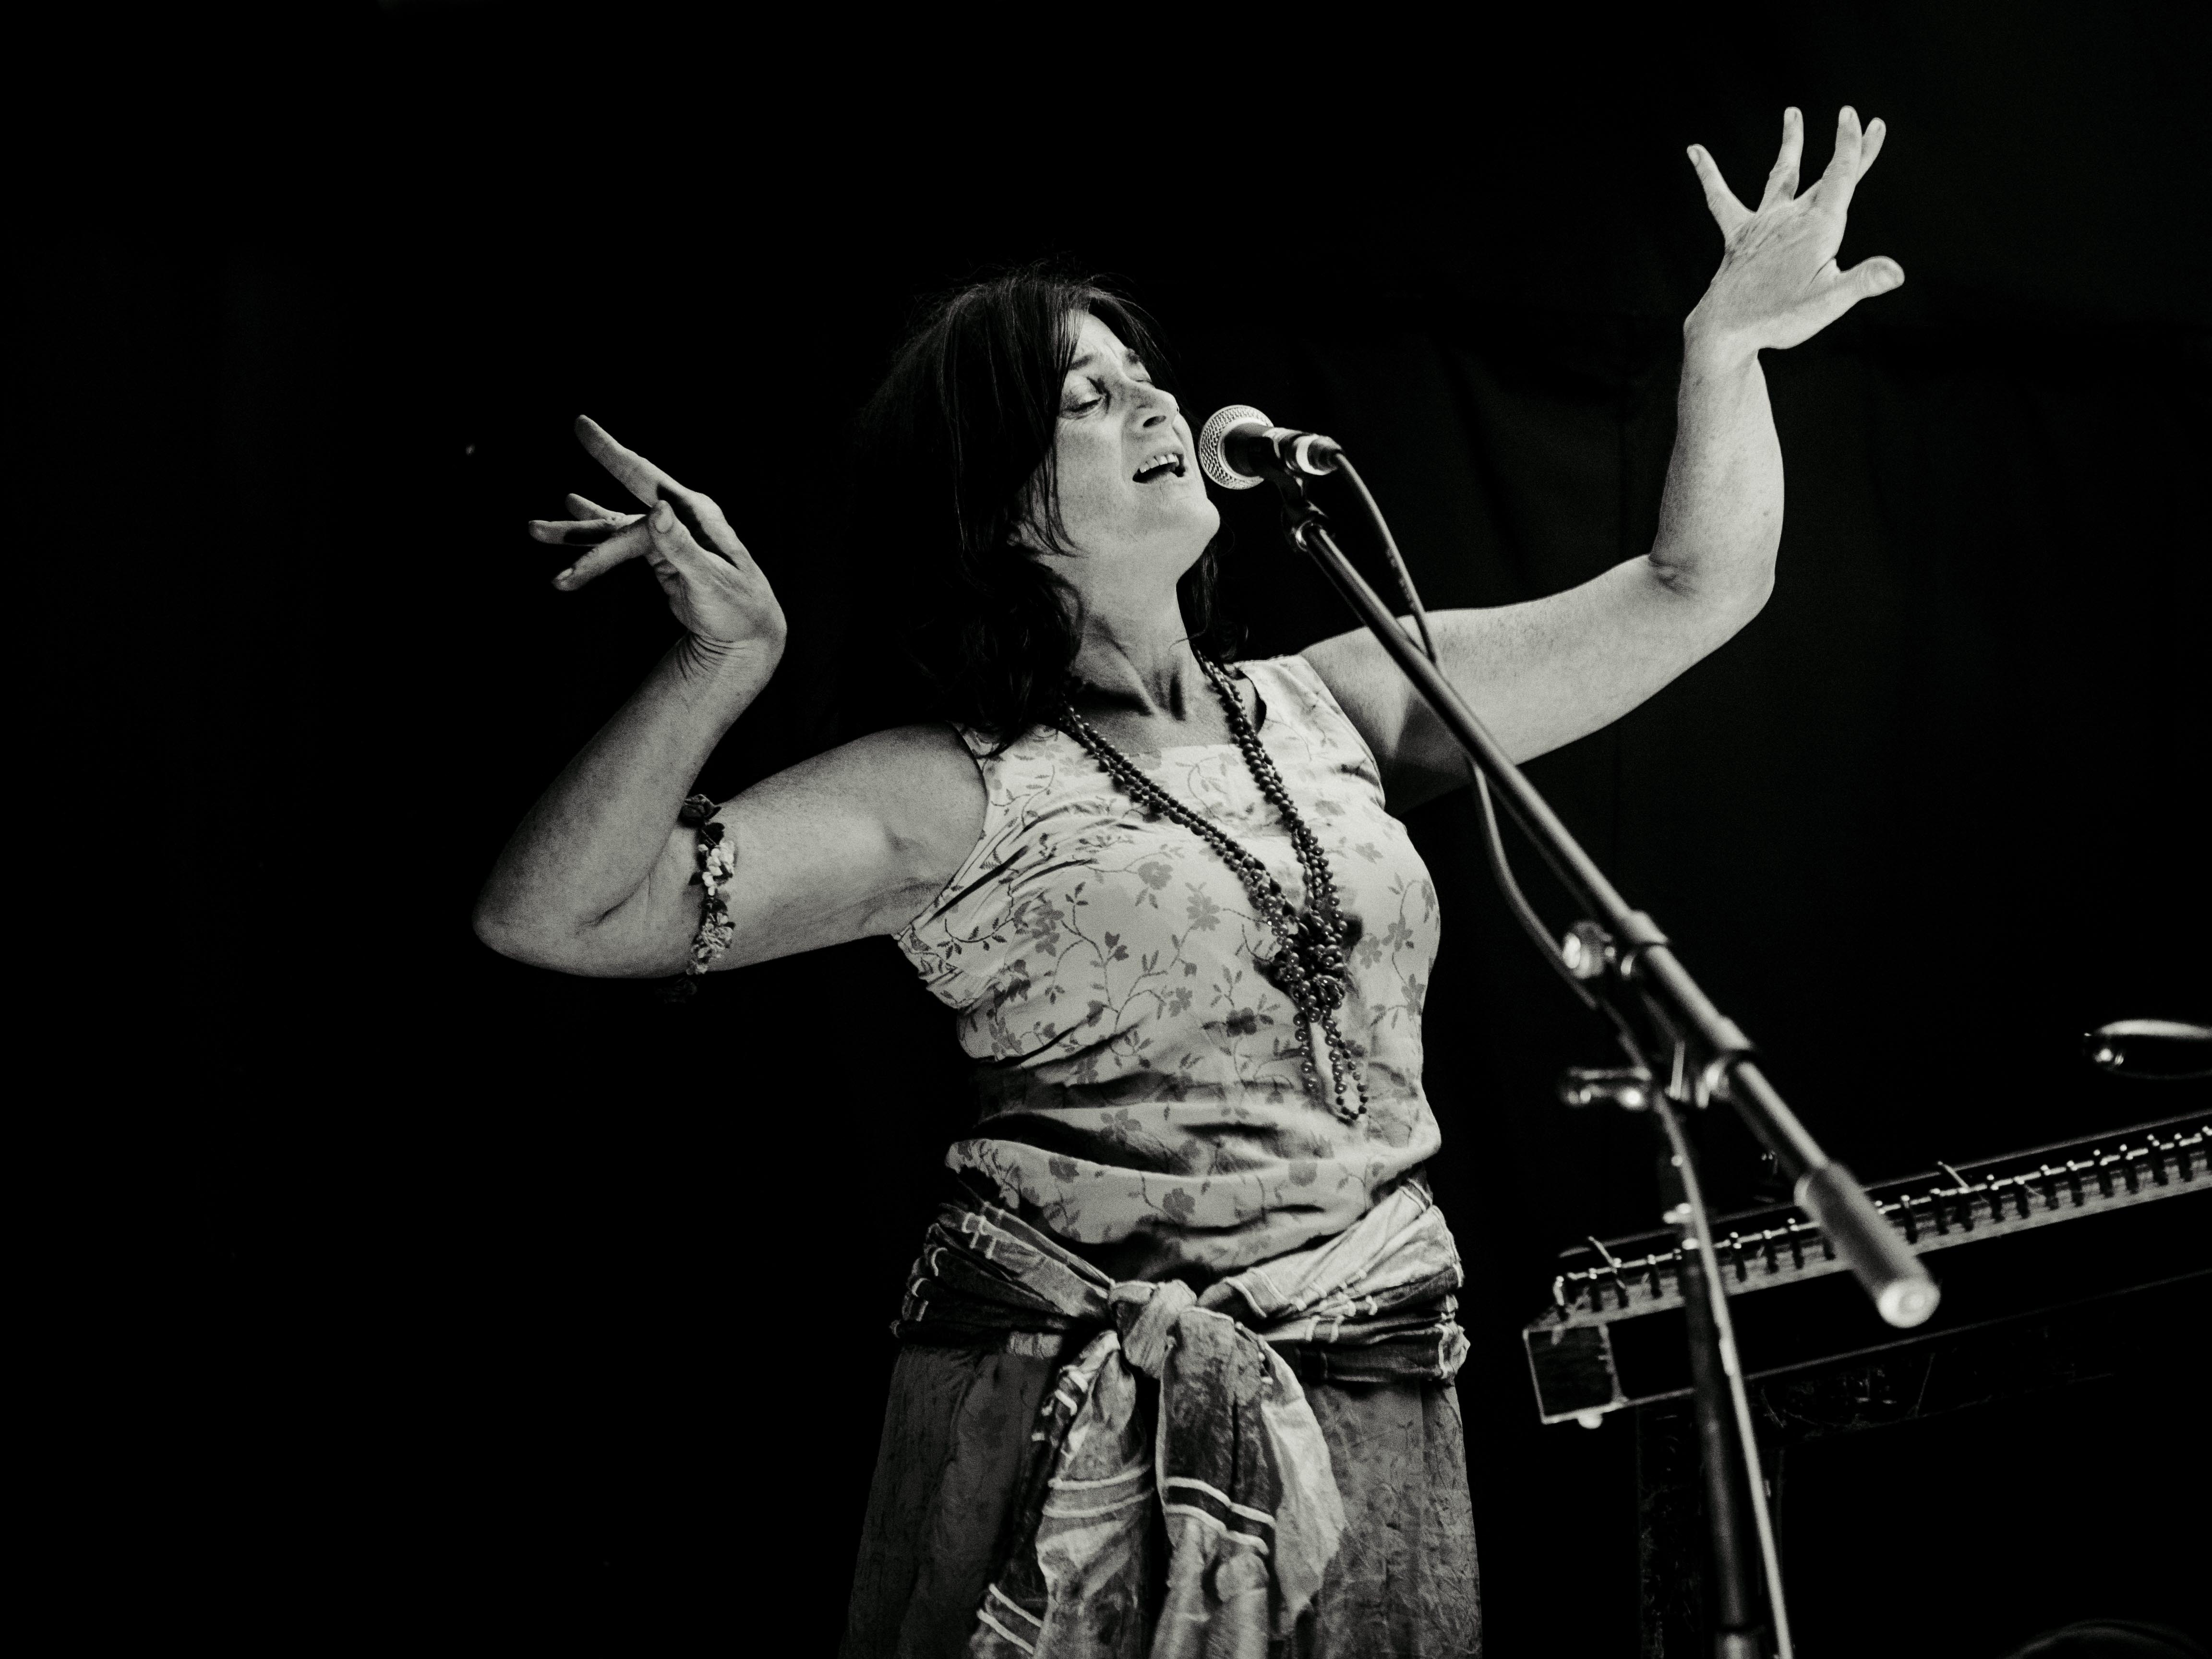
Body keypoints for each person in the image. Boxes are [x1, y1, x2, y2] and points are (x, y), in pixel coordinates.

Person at [475, 107, 1902, 1659]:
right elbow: (558, 915)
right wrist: (724, 661)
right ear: (1003, 506)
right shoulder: (951, 787)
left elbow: (1696, 587)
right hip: (1067, 1422)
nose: (1153, 397)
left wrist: (1723, 352)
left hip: (1371, 1384)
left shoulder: (1342, 698)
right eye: (1086, 398)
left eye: (1141, 372)